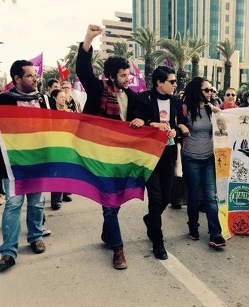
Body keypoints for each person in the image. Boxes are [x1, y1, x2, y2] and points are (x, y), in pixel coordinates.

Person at [0, 60, 56, 270]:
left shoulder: (44, 100)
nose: (35, 79)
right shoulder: (2, 100)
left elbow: (52, 129)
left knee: (36, 203)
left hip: (38, 161)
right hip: (13, 165)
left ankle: (35, 237)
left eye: (35, 75)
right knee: (13, 205)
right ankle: (8, 252)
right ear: (17, 79)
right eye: (30, 76)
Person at [76, 24, 139, 270]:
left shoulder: (133, 96)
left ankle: (107, 232)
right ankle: (118, 249)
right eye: (123, 76)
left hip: (123, 157)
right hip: (100, 155)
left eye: (128, 75)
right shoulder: (97, 90)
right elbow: (82, 69)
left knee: (116, 201)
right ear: (112, 76)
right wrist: (88, 39)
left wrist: (143, 120)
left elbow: (146, 114)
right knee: (110, 202)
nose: (127, 79)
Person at [134, 66, 184, 260]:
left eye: (175, 82)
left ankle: (150, 219)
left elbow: (181, 125)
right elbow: (134, 121)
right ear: (159, 82)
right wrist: (150, 124)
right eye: (171, 81)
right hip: (149, 156)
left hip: (169, 154)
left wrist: (176, 132)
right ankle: (158, 242)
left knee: (166, 197)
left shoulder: (176, 102)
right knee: (155, 198)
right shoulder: (143, 98)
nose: (174, 85)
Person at [179, 76, 226, 248]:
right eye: (206, 90)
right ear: (196, 91)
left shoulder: (210, 109)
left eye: (211, 89)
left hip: (208, 159)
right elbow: (175, 123)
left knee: (210, 197)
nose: (210, 92)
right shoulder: (184, 109)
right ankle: (193, 227)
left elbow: (224, 125)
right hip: (190, 158)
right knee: (193, 195)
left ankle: (215, 233)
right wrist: (180, 127)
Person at [49, 88, 74, 210]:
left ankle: (66, 192)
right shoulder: (49, 112)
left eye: (64, 97)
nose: (63, 99)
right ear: (54, 98)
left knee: (67, 170)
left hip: (67, 144)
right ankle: (56, 200)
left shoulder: (69, 111)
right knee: (57, 172)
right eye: (60, 97)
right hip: (55, 145)